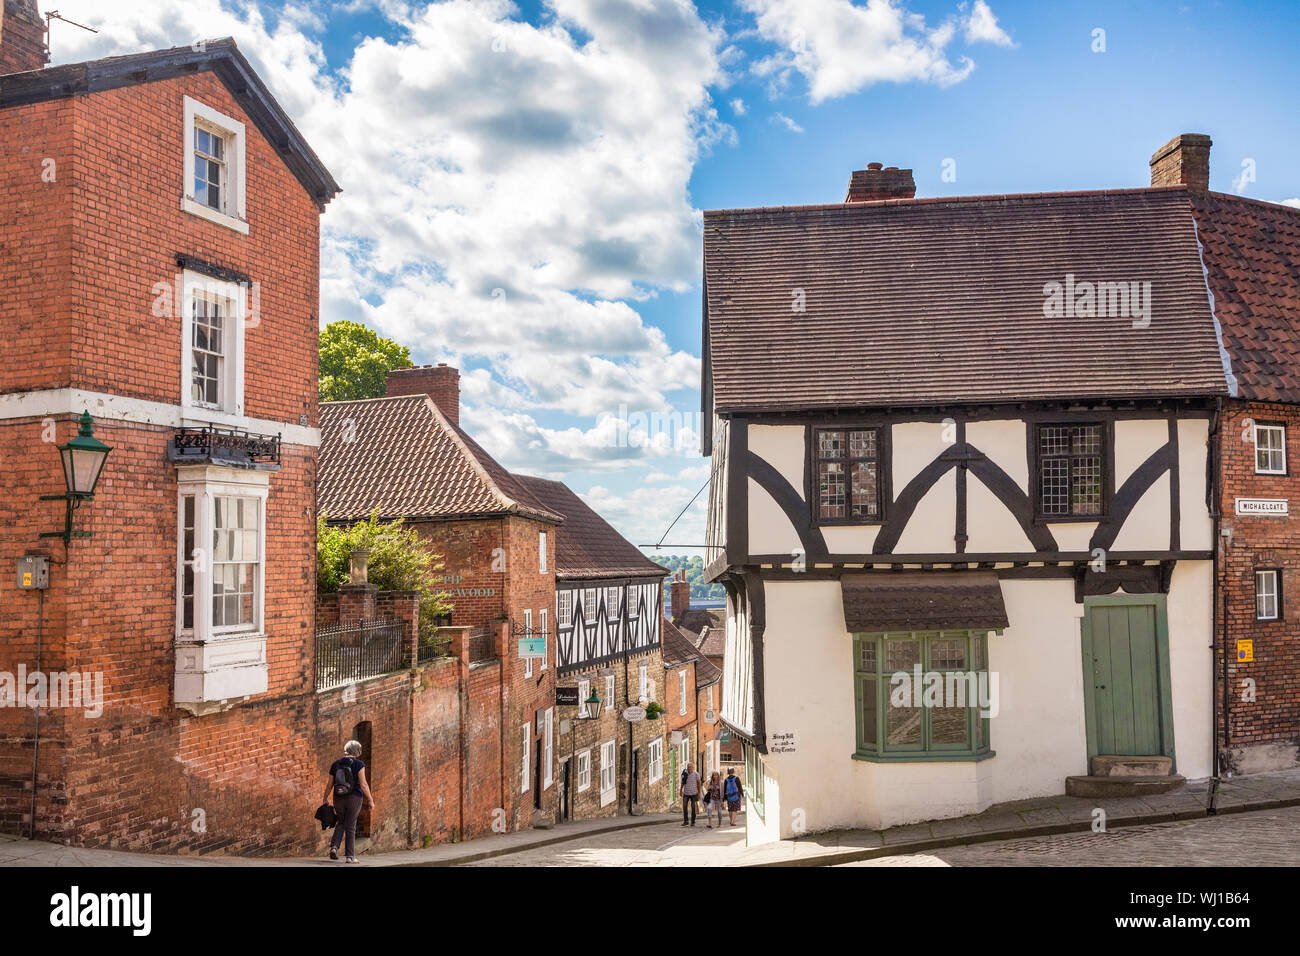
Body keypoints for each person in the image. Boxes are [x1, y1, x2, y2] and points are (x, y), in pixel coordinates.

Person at [324, 740, 375, 863]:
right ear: (357, 751)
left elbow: (330, 784)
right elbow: (363, 784)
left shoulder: (335, 764)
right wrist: (370, 800)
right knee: (351, 825)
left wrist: (325, 798)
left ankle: (334, 847)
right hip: (354, 797)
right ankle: (350, 857)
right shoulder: (359, 764)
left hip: (338, 797)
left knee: (341, 822)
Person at [679, 761, 701, 826]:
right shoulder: (685, 774)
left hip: (694, 793)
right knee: (684, 807)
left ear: (693, 767)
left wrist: (699, 792)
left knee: (693, 808)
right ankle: (686, 821)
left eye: (691, 767)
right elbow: (682, 782)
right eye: (688, 767)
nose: (689, 768)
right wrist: (680, 790)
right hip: (686, 793)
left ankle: (693, 821)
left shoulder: (696, 774)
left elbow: (699, 783)